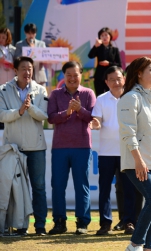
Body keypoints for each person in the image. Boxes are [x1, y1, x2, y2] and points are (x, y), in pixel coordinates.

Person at [118, 56, 151, 251]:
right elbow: (127, 133)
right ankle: (135, 244)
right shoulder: (130, 98)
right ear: (139, 73)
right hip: (136, 162)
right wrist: (139, 161)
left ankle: (150, 248)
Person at [0, 56, 48, 236]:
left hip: (36, 146)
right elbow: (1, 115)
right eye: (23, 68)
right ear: (15, 70)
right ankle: (20, 226)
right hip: (13, 148)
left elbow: (44, 115)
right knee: (16, 188)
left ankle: (40, 226)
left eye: (30, 68)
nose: (27, 72)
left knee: (39, 187)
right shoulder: (3, 90)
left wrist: (29, 109)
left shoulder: (40, 89)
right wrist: (19, 111)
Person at [47, 61, 96, 235]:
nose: (72, 78)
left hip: (82, 146)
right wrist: (66, 113)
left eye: (76, 74)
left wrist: (79, 110)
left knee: (81, 185)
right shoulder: (55, 94)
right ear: (63, 76)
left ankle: (82, 222)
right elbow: (51, 118)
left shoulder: (88, 93)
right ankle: (59, 222)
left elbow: (92, 117)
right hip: (60, 147)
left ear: (81, 75)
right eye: (69, 75)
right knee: (58, 186)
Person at [91, 66, 141, 235]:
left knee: (128, 189)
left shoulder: (132, 98)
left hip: (127, 151)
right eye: (111, 79)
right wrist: (95, 124)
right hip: (106, 152)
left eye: (118, 78)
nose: (116, 82)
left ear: (124, 79)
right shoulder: (101, 99)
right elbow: (96, 119)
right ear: (106, 82)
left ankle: (129, 222)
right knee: (104, 189)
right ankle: (105, 223)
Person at [88, 27, 121, 96]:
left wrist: (109, 63)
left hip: (111, 77)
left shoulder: (115, 50)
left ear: (110, 36)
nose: (104, 37)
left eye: (106, 35)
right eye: (102, 35)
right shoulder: (98, 48)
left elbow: (119, 64)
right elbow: (90, 56)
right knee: (99, 96)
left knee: (111, 95)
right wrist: (95, 46)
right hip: (99, 77)